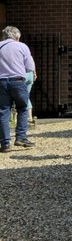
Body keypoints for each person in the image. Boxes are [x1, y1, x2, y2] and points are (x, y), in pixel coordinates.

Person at [0, 25, 36, 154]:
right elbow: (29, 67)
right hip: (18, 81)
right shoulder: (22, 46)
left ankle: (5, 144)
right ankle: (20, 137)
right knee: (22, 108)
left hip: (1, 82)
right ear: (17, 36)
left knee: (3, 111)